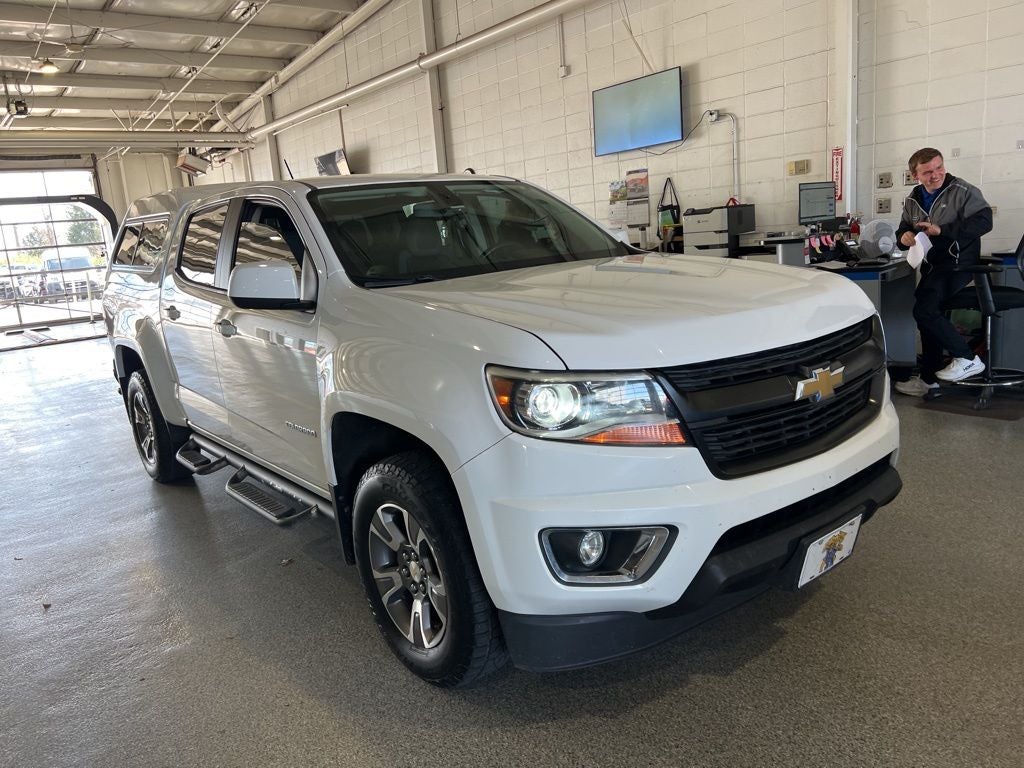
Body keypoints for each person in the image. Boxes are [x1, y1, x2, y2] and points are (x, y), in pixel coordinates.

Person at [893, 148, 993, 397]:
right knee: (928, 318)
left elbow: (984, 221)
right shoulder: (912, 199)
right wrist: (903, 237)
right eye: (928, 171)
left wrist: (943, 230)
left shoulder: (963, 191)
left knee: (924, 310)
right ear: (915, 174)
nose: (935, 174)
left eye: (939, 167)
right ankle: (929, 382)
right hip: (932, 266)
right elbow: (904, 229)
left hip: (958, 265)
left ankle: (967, 358)